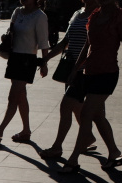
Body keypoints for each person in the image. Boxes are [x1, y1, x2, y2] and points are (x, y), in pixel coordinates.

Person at [58, 0, 122, 173]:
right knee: (98, 116)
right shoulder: (95, 16)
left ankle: (73, 159)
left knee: (86, 114)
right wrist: (75, 69)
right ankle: (114, 152)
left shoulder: (120, 17)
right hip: (89, 71)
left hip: (107, 74)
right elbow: (87, 45)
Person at [38, 0, 100, 159]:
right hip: (72, 68)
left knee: (66, 105)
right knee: (76, 106)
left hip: (85, 70)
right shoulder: (77, 14)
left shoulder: (99, 15)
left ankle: (57, 147)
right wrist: (46, 58)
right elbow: (65, 41)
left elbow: (96, 45)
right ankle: (88, 137)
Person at [0, 0, 49, 144]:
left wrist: (44, 63)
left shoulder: (40, 16)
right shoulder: (18, 12)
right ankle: (26, 131)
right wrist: (6, 37)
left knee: (13, 95)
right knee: (20, 95)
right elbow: (11, 32)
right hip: (14, 57)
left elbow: (44, 42)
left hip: (27, 60)